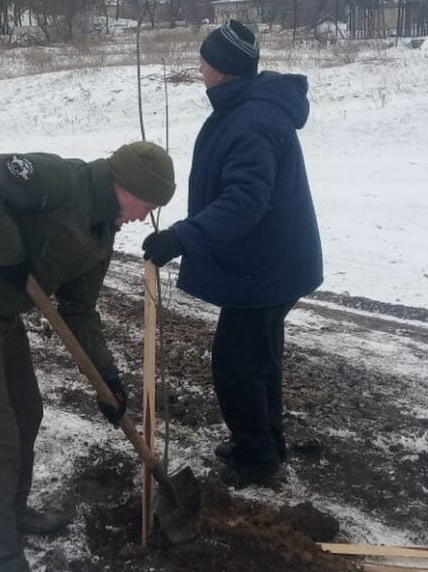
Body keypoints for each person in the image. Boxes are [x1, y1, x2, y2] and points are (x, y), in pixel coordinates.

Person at [0, 142, 175, 572]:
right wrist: (8, 251)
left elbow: (80, 311)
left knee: (26, 411)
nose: (143, 216)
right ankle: (1, 562)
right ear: (122, 185)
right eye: (144, 205)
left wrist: (108, 378)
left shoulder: (101, 236)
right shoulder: (60, 180)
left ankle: (12, 512)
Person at [142, 20, 323, 489]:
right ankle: (265, 441)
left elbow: (244, 202)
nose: (199, 66)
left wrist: (182, 237)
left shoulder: (252, 120)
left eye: (204, 59)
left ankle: (257, 456)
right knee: (258, 355)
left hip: (267, 266)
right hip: (270, 261)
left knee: (236, 362)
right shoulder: (247, 107)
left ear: (221, 69)